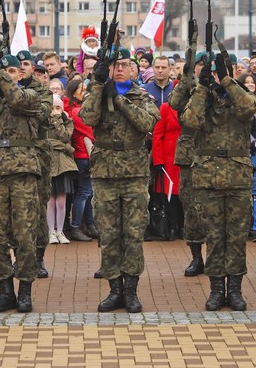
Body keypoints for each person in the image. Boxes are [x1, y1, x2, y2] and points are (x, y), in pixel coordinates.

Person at [80, 47, 160, 313]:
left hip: (135, 174)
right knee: (109, 233)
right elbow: (87, 118)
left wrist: (121, 100)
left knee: (134, 233)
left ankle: (131, 291)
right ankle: (114, 289)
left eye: (125, 65)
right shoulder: (98, 92)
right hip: (105, 174)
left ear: (134, 69)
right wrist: (98, 85)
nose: (121, 69)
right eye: (116, 65)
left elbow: (147, 123)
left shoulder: (142, 95)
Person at [181, 51, 256, 311]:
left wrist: (227, 82)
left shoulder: (240, 94)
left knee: (236, 237)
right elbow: (190, 121)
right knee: (214, 236)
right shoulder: (202, 97)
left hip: (237, 177)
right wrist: (202, 87)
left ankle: (234, 290)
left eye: (224, 69)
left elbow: (249, 109)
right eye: (214, 70)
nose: (217, 74)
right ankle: (216, 289)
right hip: (208, 177)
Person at [0, 53, 43, 313]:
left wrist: (0, 73)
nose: (10, 75)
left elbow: (17, 99)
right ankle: (5, 290)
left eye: (14, 71)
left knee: (25, 234)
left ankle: (25, 290)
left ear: (21, 74)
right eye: (7, 71)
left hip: (23, 171)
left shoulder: (32, 96)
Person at [16, 50, 54, 280]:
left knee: (38, 208)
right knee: (15, 212)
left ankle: (38, 258)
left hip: (37, 156)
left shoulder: (42, 91)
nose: (22, 68)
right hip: (11, 159)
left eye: (26, 64)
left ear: (33, 69)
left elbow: (41, 114)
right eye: (18, 64)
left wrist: (16, 100)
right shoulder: (1, 91)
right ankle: (18, 258)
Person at [169, 48, 206, 278]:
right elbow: (174, 103)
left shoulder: (221, 88)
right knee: (191, 209)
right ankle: (196, 257)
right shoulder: (188, 88)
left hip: (214, 157)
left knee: (213, 211)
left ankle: (214, 257)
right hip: (190, 157)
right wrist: (186, 76)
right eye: (200, 65)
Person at [65, 78, 98, 242]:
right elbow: (91, 131)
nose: (85, 92)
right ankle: (76, 226)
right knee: (84, 192)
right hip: (82, 156)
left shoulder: (77, 109)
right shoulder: (77, 111)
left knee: (88, 192)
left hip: (85, 154)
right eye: (82, 89)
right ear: (73, 92)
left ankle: (90, 225)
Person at [47, 94, 78, 244]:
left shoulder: (67, 121)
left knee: (61, 201)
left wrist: (58, 119)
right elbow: (45, 142)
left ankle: (60, 231)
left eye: (58, 107)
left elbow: (65, 137)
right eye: (52, 107)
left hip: (63, 165)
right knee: (50, 200)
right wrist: (65, 147)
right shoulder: (43, 122)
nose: (55, 110)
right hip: (48, 163)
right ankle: (50, 232)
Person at [151, 101, 182, 239]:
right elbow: (157, 135)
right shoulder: (165, 108)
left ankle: (184, 227)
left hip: (189, 158)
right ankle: (172, 226)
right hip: (169, 159)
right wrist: (158, 160)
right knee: (171, 196)